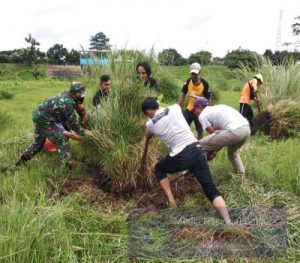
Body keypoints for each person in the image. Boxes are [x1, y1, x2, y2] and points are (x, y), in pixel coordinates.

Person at [141, 97, 231, 224]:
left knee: (159, 169)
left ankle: (172, 202)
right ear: (158, 105)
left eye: (147, 115)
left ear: (148, 112)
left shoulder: (150, 124)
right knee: (210, 189)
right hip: (197, 149)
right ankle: (228, 222)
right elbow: (166, 109)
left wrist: (152, 122)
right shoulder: (175, 108)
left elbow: (148, 133)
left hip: (181, 155)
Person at [16, 81, 93, 168]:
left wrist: (84, 114)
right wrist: (87, 133)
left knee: (38, 144)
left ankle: (20, 163)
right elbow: (73, 124)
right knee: (60, 139)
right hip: (43, 119)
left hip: (39, 115)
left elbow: (79, 107)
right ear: (73, 93)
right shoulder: (67, 102)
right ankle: (67, 166)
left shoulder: (70, 96)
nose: (81, 97)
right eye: (79, 95)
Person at [193, 97, 251, 177]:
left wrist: (212, 151)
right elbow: (220, 138)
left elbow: (213, 134)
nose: (194, 112)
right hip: (246, 129)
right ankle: (241, 176)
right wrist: (214, 151)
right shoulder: (216, 109)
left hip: (235, 130)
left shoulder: (202, 115)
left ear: (199, 107)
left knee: (198, 145)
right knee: (232, 153)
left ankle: (194, 170)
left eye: (194, 110)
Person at [178, 62, 211, 139]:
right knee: (183, 126)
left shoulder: (204, 84)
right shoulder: (188, 81)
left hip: (200, 110)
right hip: (190, 108)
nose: (194, 76)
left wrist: (209, 112)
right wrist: (177, 107)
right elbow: (183, 96)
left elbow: (209, 98)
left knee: (200, 131)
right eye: (192, 74)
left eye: (195, 74)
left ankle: (200, 147)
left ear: (199, 73)